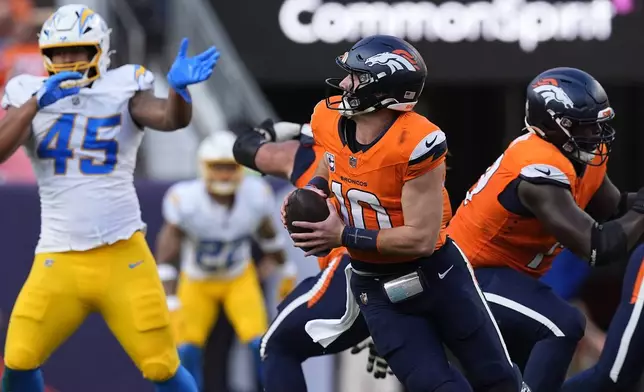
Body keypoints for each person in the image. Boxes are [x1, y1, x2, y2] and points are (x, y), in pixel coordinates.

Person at [280, 35, 524, 392]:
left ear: (382, 88)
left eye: (357, 77)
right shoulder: (328, 118)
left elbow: (420, 239)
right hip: (375, 286)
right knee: (435, 387)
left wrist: (342, 236)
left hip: (437, 273)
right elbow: (331, 159)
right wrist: (315, 188)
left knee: (500, 381)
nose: (346, 84)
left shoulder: (416, 142)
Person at [0, 4, 219, 392]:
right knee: (18, 359)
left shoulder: (124, 86)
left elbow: (169, 118)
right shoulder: (26, 93)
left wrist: (180, 93)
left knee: (161, 366)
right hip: (58, 257)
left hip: (122, 254)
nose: (68, 62)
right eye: (59, 53)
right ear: (45, 56)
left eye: (78, 51)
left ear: (99, 50)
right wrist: (35, 103)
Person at [446, 67, 644, 392]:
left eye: (598, 123)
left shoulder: (581, 155)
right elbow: (598, 246)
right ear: (556, 124)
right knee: (563, 324)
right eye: (586, 125)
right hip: (465, 275)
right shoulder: (537, 169)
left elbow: (617, 207)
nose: (597, 133)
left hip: (508, 279)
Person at [155, 130, 289, 391]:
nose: (225, 174)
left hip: (238, 277)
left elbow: (269, 238)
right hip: (197, 280)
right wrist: (170, 298)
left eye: (230, 167)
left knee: (260, 344)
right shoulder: (186, 200)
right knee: (186, 350)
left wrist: (285, 267)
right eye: (218, 167)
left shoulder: (255, 195)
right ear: (203, 167)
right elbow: (166, 254)